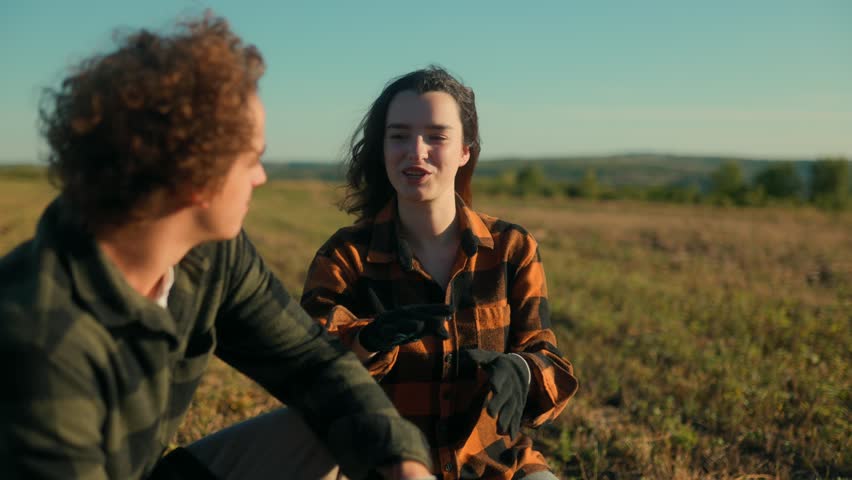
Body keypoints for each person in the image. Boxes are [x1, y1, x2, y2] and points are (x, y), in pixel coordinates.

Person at [0, 14, 435, 480]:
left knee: (338, 426)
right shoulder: (40, 337)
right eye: (252, 159)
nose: (260, 177)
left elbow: (313, 363)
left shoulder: (211, 253)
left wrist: (404, 465)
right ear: (194, 174)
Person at [301, 66, 579, 480]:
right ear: (382, 147)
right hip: (383, 466)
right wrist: (365, 341)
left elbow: (549, 359)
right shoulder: (345, 256)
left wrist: (523, 371)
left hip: (494, 465)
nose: (416, 151)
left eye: (436, 136)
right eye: (399, 136)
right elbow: (307, 368)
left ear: (465, 150)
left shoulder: (512, 249)